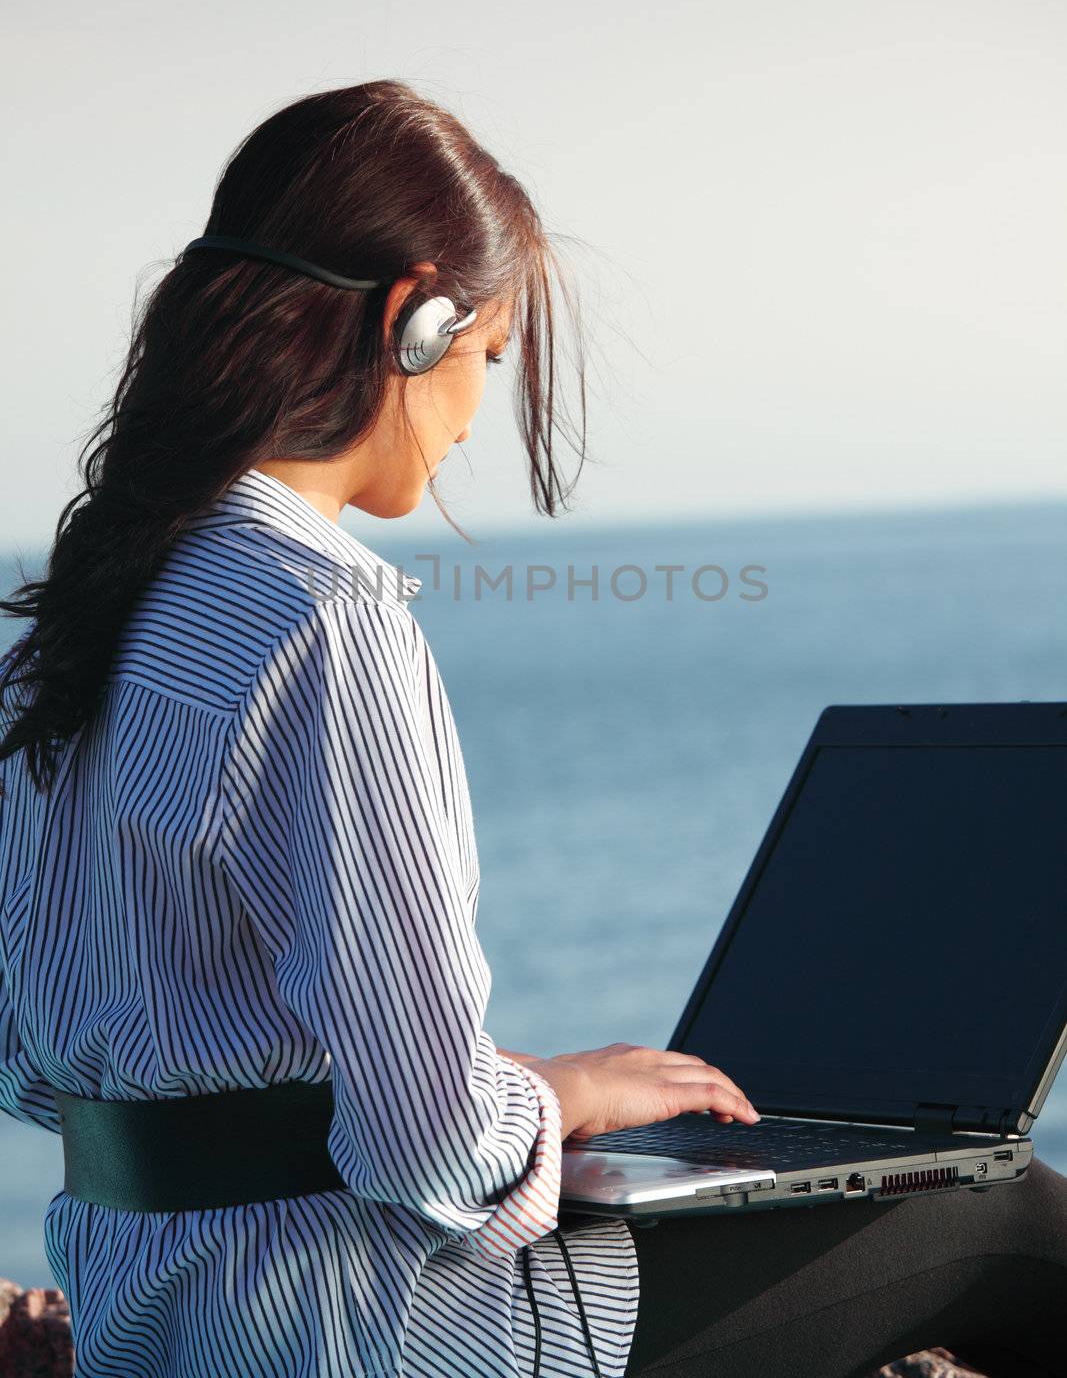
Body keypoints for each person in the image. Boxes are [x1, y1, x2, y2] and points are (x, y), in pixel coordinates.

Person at [0, 81, 1063, 1378]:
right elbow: (430, 1151)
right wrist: (558, 1099)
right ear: (412, 322)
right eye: (488, 363)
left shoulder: (76, 621)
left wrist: (432, 1082)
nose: (468, 423)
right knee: (1010, 1213)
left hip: (155, 1323)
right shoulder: (326, 625)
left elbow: (36, 1070)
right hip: (390, 1335)